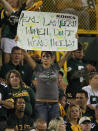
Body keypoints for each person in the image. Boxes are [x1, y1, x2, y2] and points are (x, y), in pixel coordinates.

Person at [23, 50, 70, 123]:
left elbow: (65, 56)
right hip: (41, 105)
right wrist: (19, 42)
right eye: (43, 56)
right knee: (42, 128)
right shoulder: (37, 68)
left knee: (54, 128)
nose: (45, 58)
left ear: (52, 58)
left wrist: (74, 41)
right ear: (41, 59)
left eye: (47, 56)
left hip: (54, 105)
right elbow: (26, 56)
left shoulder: (55, 68)